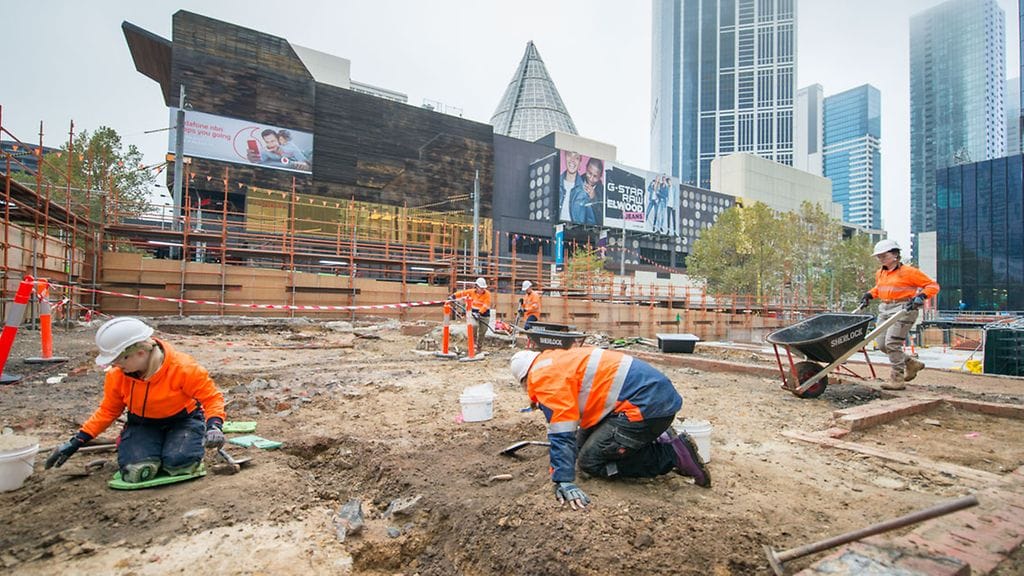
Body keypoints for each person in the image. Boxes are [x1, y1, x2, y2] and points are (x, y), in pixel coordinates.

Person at [509, 347, 710, 510]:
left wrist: (563, 480)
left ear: (525, 381)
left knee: (590, 461)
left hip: (647, 407)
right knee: (579, 449)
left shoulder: (545, 381)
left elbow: (562, 433)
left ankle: (672, 454)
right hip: (650, 397)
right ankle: (657, 436)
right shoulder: (556, 361)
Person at [44, 317, 227, 483]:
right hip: (143, 424)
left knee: (179, 464)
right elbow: (108, 411)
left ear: (140, 352)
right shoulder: (118, 375)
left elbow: (211, 399)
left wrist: (214, 426)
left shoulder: (183, 368)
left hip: (183, 421)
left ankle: (177, 452)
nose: (115, 365)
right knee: (136, 470)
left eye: (118, 360)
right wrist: (77, 441)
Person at [859, 239, 940, 390]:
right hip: (885, 307)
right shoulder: (881, 273)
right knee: (882, 344)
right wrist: (869, 294)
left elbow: (932, 286)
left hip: (903, 309)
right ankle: (911, 363)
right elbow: (881, 288)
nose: (880, 259)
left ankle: (897, 379)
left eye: (884, 255)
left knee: (892, 343)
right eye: (879, 256)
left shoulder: (909, 272)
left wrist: (921, 296)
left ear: (895, 255)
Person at [451, 277, 492, 353]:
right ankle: (473, 344)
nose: (482, 290)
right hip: (473, 313)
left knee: (483, 331)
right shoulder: (471, 292)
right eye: (481, 288)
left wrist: (479, 313)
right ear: (476, 287)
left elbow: (486, 305)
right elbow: (462, 293)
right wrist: (453, 296)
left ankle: (479, 347)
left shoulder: (487, 294)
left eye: (483, 288)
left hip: (484, 314)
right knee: (473, 326)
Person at [559, 151, 583, 222]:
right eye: (569, 155)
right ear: (565, 157)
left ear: (580, 163)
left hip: (576, 231)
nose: (572, 160)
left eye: (577, 158)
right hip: (554, 229)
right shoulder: (555, 183)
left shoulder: (584, 190)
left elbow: (591, 221)